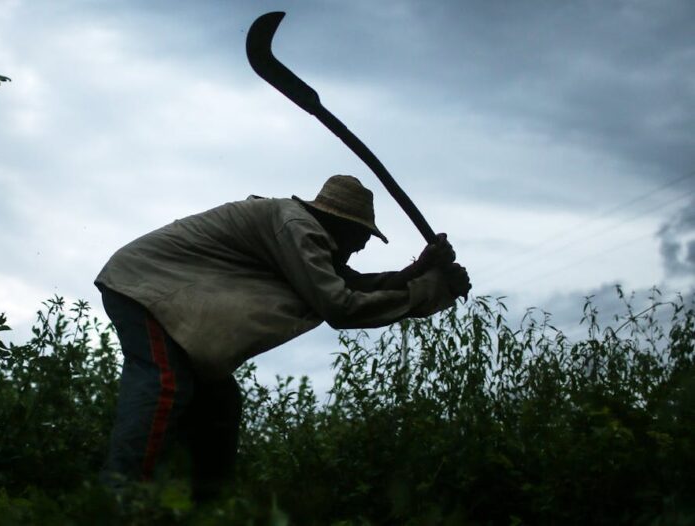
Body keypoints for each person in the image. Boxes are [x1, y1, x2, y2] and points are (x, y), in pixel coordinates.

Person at [94, 174, 471, 500]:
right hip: (145, 290)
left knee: (218, 407)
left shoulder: (302, 237)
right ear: (340, 225)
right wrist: (430, 290)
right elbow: (341, 305)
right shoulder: (297, 227)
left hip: (161, 299)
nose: (361, 247)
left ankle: (204, 509)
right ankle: (121, 500)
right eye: (361, 237)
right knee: (165, 385)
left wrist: (421, 272)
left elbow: (350, 285)